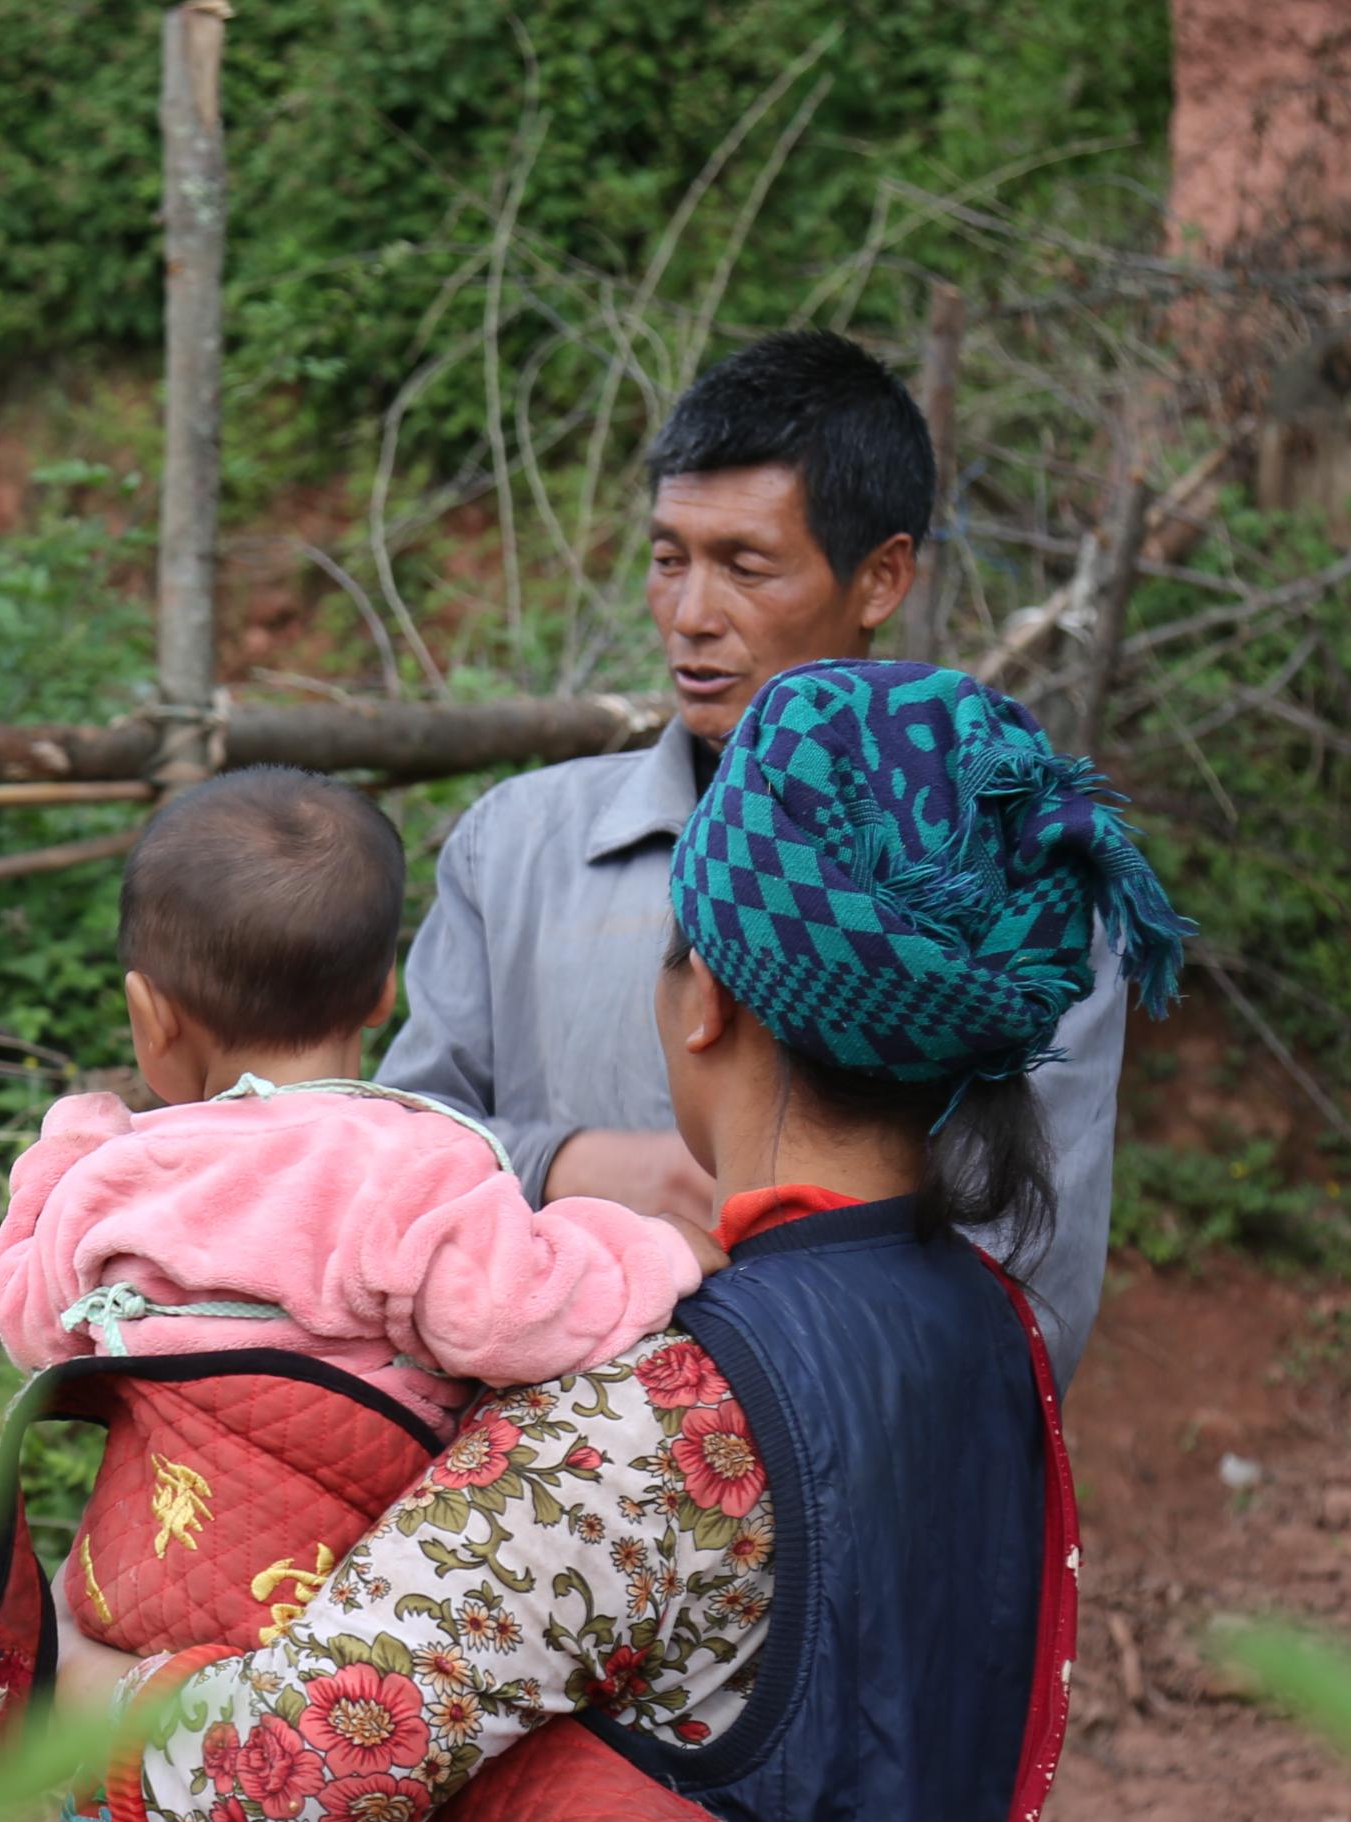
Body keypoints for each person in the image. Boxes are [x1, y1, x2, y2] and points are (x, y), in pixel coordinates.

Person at [52, 656, 1186, 1822]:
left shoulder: (667, 1414)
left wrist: (95, 1674)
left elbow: (269, 1782)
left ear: (705, 999)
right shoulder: (987, 1333)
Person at [376, 329, 1134, 1386]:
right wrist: (565, 1163)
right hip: (519, 1522)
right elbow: (383, 1178)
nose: (690, 617)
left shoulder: (997, 883)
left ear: (879, 578)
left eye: (744, 566)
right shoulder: (515, 849)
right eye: (666, 559)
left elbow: (1024, 1283)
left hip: (846, 1490)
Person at [0, 765, 712, 1433]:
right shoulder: (416, 1167)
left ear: (149, 1016)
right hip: (365, 1558)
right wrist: (653, 1248)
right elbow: (509, 1318)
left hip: (168, 1543)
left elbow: (31, 1326)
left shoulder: (117, 1178)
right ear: (381, 992)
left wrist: (63, 1161)